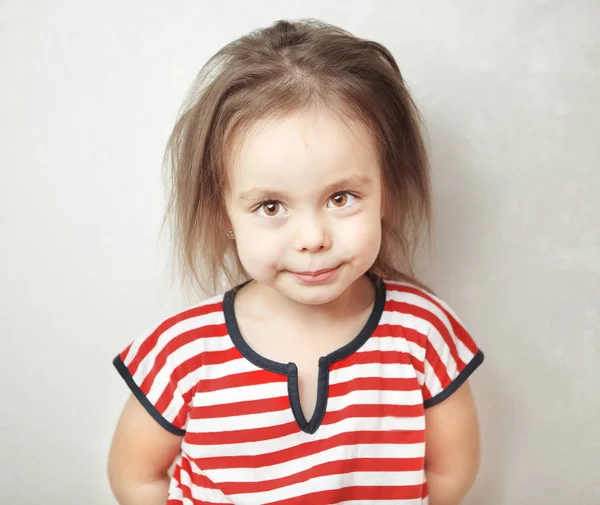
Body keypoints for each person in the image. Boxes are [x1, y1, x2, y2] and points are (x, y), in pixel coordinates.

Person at [107, 18, 485, 505]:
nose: (312, 239)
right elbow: (136, 478)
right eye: (271, 207)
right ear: (224, 211)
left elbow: (451, 473)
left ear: (386, 190)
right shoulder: (181, 354)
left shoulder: (423, 333)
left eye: (342, 197)